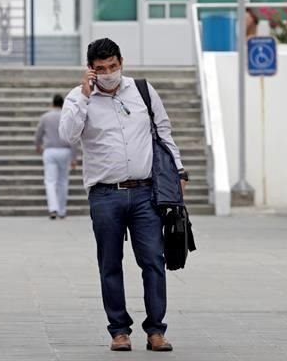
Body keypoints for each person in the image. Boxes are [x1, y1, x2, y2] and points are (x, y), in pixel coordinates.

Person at [59, 38, 187, 353]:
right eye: (100, 69)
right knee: (110, 264)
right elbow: (67, 135)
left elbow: (164, 131)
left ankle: (156, 330)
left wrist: (179, 172)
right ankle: (119, 330)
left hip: (145, 193)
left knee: (153, 261)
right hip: (105, 195)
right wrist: (85, 97)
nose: (108, 73)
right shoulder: (78, 98)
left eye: (112, 67)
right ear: (90, 69)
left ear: (121, 62)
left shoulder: (143, 90)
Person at [35, 94, 77, 220]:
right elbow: (73, 137)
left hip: (50, 150)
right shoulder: (67, 117)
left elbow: (38, 133)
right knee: (63, 181)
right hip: (65, 150)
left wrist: (37, 145)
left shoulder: (45, 117)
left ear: (52, 103)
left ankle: (53, 208)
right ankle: (62, 210)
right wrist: (74, 157)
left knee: (50, 181)